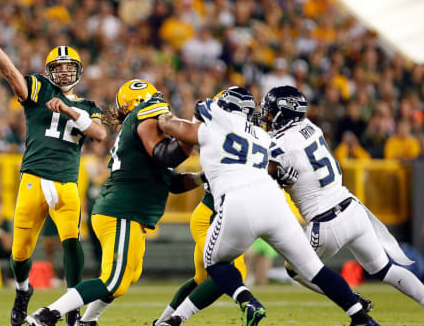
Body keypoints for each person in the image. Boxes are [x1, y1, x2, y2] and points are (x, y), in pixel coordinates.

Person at [157, 86, 379, 326]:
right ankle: (360, 317)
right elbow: (274, 168)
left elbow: (178, 122)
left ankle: (246, 301)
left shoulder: (212, 125)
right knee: (314, 269)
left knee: (216, 264)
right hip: (273, 203)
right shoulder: (262, 136)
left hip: (237, 202)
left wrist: (163, 113)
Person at [25, 79, 203, 326]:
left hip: (127, 212)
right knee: (113, 279)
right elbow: (168, 154)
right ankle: (47, 314)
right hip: (122, 212)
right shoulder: (145, 114)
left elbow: (170, 182)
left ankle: (87, 321)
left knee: (128, 275)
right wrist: (194, 132)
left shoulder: (136, 128)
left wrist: (203, 177)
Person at [0, 8, 107, 326]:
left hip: (67, 183)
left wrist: (70, 111)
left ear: (78, 70)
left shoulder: (87, 106)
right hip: (33, 179)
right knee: (19, 253)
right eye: (57, 68)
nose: (62, 73)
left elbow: (99, 134)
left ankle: (72, 304)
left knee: (72, 243)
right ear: (49, 72)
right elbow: (9, 72)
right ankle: (22, 290)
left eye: (67, 67)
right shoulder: (38, 88)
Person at [261, 86, 424, 307]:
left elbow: (261, 178)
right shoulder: (311, 128)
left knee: (296, 270)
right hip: (352, 208)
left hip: (326, 222)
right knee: (387, 269)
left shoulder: (279, 146)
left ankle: (351, 301)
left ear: (284, 113)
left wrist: (276, 178)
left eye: (270, 111)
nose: (266, 116)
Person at [153, 91, 247, 326]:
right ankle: (174, 321)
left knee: (201, 278)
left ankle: (163, 321)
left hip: (227, 216)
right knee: (229, 273)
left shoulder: (245, 137)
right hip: (210, 215)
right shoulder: (211, 135)